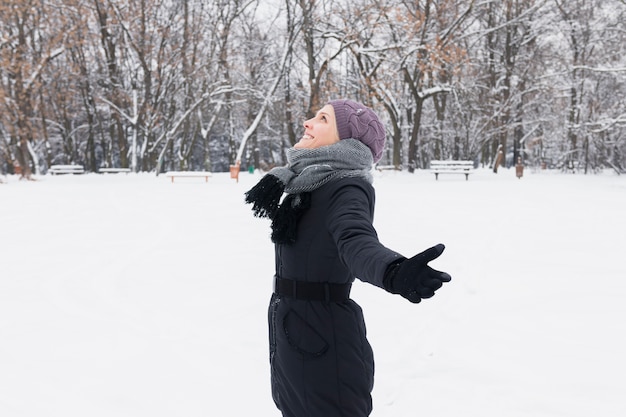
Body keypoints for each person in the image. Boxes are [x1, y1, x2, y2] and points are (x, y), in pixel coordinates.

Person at [245, 99, 451, 417]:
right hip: (294, 334)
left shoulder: (347, 187)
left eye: (323, 119)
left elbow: (355, 240)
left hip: (323, 341)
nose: (308, 123)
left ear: (347, 140)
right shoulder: (307, 184)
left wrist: (393, 270)